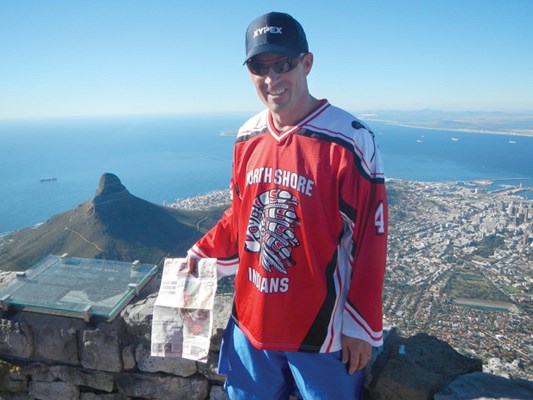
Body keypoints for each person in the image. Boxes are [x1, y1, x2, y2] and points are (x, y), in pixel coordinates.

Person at [186, 11, 387, 399]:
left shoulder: (349, 141)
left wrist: (360, 328)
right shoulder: (247, 137)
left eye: (283, 64)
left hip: (320, 334)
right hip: (251, 323)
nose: (271, 78)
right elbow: (241, 216)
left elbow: (370, 238)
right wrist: (200, 256)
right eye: (259, 67)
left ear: (306, 63)